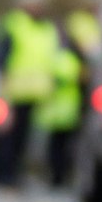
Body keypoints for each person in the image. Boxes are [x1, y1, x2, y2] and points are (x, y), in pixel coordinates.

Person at [0, 0, 58, 187]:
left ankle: (14, 174)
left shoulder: (48, 30)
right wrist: (2, 83)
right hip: (13, 92)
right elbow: (2, 56)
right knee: (8, 136)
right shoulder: (16, 25)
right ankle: (3, 174)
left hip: (35, 94)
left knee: (23, 138)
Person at [36, 28, 87, 189]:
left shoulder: (58, 58)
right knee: (65, 147)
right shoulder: (73, 60)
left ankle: (57, 177)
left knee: (57, 147)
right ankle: (60, 177)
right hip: (67, 110)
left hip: (58, 111)